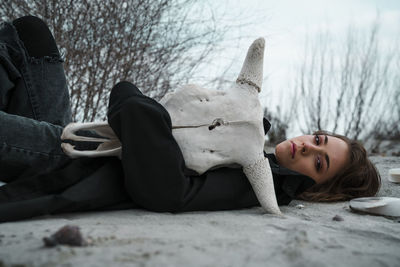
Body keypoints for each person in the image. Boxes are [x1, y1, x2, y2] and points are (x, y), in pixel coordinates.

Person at [0, 16, 381, 222]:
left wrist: (133, 103)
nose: (305, 146)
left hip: (73, 162)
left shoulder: (261, 183)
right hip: (82, 137)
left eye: (319, 161)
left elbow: (168, 190)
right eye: (317, 139)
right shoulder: (253, 139)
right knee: (29, 35)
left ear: (319, 188)